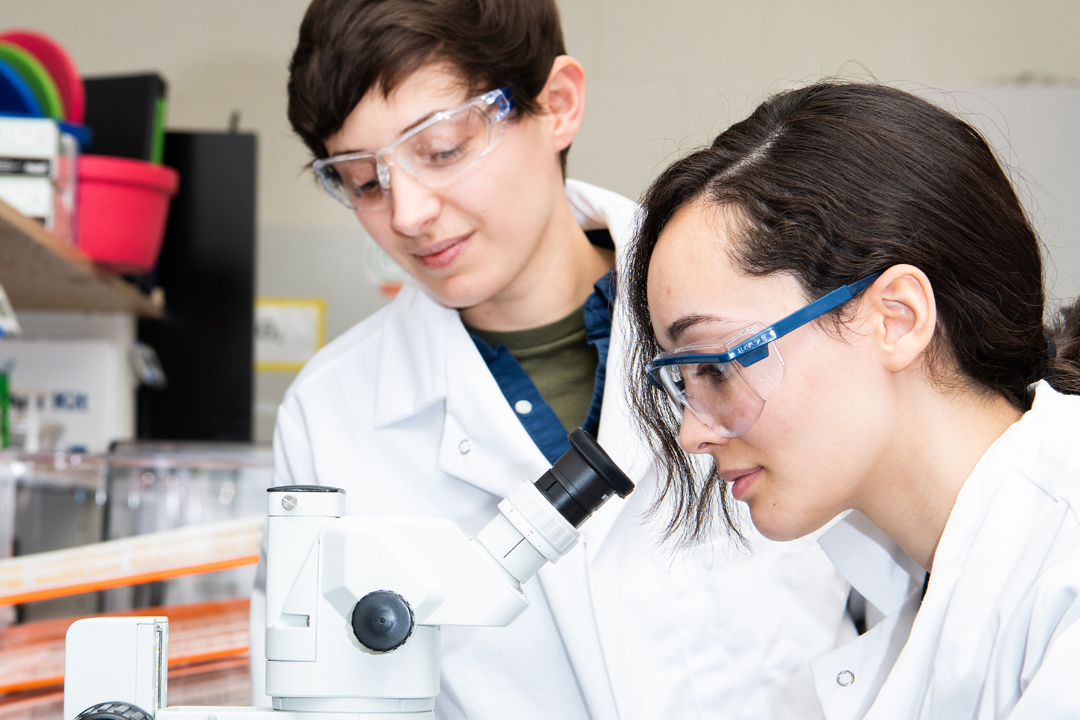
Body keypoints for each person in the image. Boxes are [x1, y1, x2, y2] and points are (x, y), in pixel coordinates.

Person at [250, 1, 854, 718]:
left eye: (440, 147)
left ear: (558, 104)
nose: (407, 213)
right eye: (363, 180)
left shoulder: (775, 314)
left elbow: (906, 613)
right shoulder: (332, 414)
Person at [622, 80, 1080, 718]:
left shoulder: (1065, 561)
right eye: (682, 379)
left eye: (718, 366)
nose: (691, 434)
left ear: (896, 318)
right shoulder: (921, 577)